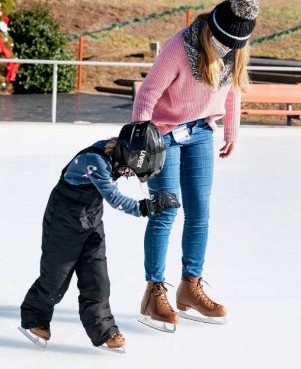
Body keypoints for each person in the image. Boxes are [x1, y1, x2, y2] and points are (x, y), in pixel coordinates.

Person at [132, 0, 259, 332]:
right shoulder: (179, 48)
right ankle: (154, 291)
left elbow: (232, 90)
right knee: (166, 209)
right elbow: (147, 95)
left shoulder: (234, 51)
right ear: (211, 31)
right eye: (221, 42)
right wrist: (139, 143)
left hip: (201, 131)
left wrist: (231, 132)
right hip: (164, 131)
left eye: (233, 45)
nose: (225, 49)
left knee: (200, 211)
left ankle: (190, 286)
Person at [19, 121, 180, 350]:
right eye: (133, 169)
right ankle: (34, 319)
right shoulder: (95, 160)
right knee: (56, 278)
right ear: (130, 154)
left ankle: (104, 330)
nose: (131, 174)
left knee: (98, 279)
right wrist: (149, 207)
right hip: (63, 220)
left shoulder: (117, 156)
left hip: (91, 219)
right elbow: (115, 199)